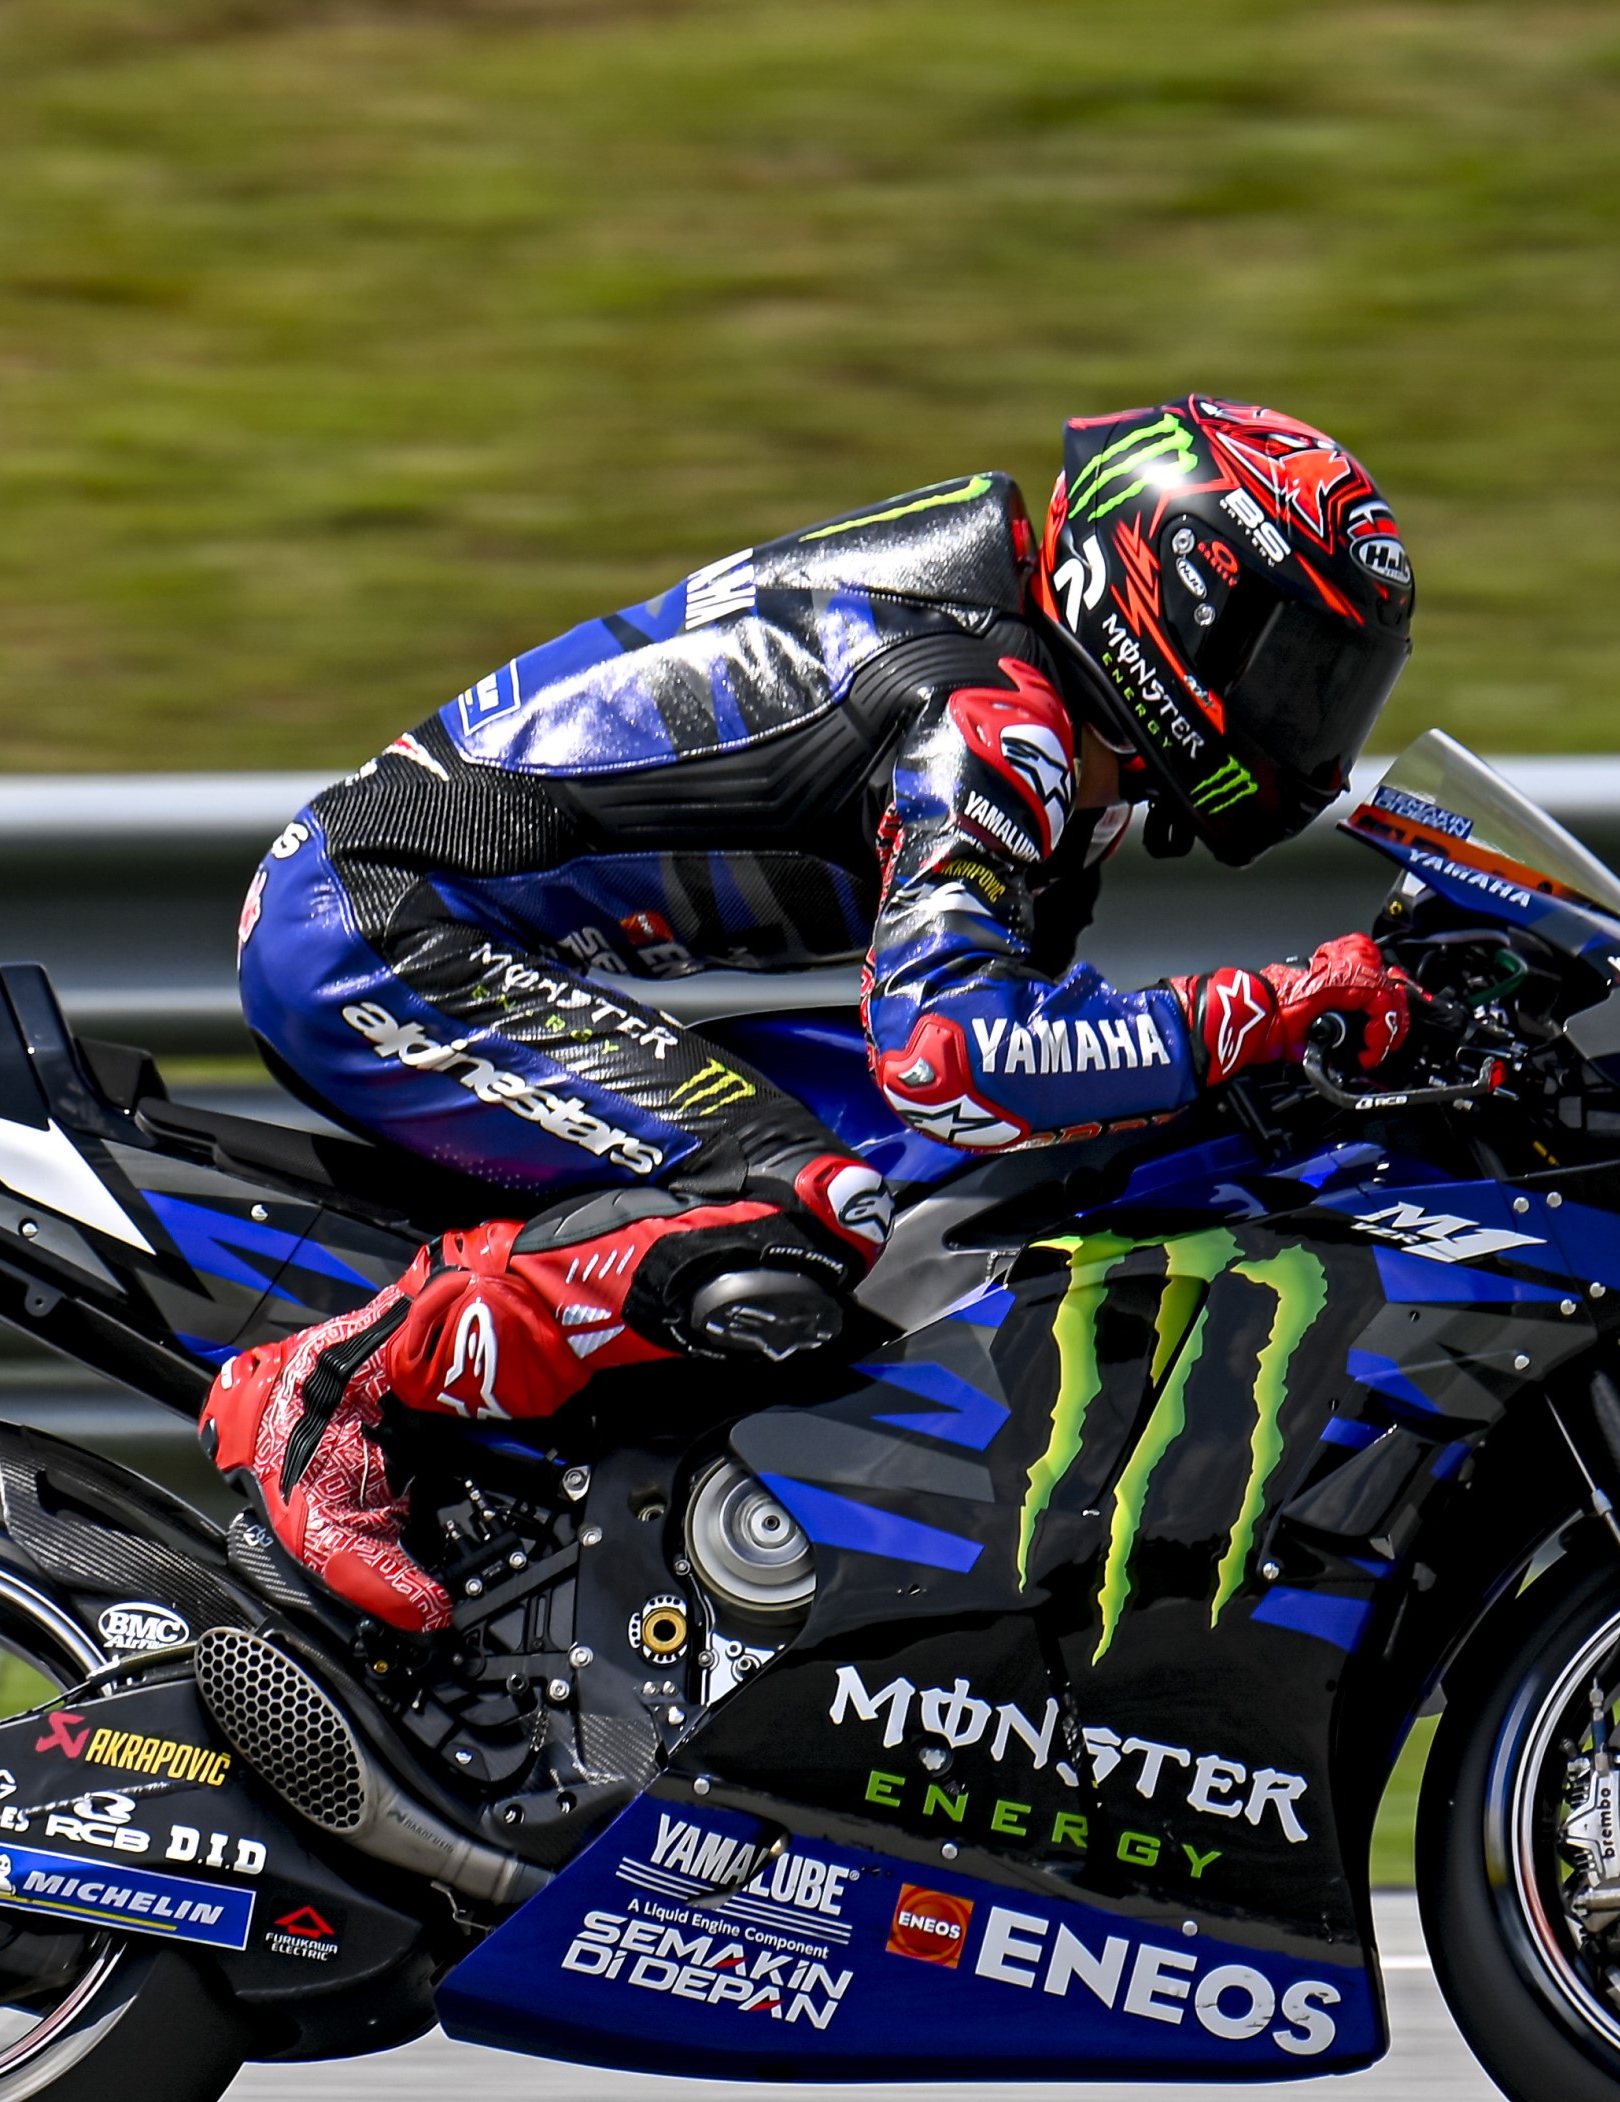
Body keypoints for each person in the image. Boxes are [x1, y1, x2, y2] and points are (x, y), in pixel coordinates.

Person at [201, 396, 1425, 1633]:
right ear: (1178, 599)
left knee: (922, 1190)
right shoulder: (990, 711)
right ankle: (334, 1395)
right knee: (806, 1201)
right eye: (1298, 674)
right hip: (369, 934)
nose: (1314, 737)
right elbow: (954, 1057)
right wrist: (1261, 1012)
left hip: (439, 926)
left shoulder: (1045, 706)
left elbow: (1010, 1089)